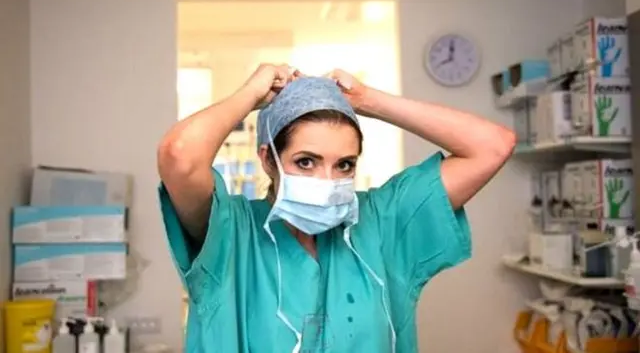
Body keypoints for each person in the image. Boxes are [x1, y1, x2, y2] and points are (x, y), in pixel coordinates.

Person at [157, 64, 515, 353]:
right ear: (268, 160)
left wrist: (369, 101)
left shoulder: (379, 222)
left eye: (344, 164)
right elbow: (180, 154)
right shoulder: (232, 232)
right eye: (306, 162)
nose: (327, 181)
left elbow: (493, 146)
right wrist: (251, 94)